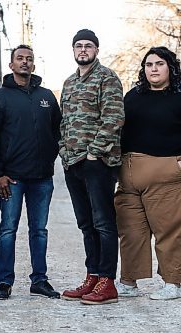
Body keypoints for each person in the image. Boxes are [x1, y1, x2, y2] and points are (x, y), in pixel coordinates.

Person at [114, 46, 181, 300]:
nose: (154, 69)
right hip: (129, 177)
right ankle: (129, 281)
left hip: (171, 176)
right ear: (143, 69)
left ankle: (172, 283)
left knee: (170, 231)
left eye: (159, 64)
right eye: (149, 65)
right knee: (131, 231)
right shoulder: (133, 97)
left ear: (170, 68)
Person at [0, 45, 62, 300]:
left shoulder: (47, 97)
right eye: (20, 59)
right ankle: (4, 282)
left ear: (34, 66)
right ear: (11, 65)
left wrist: (50, 158)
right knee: (8, 230)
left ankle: (39, 280)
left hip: (41, 178)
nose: (25, 62)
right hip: (11, 179)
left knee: (39, 230)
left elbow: (58, 132)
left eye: (29, 59)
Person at [59, 29, 125, 305]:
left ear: (96, 50)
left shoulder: (106, 78)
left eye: (88, 46)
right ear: (73, 51)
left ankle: (107, 282)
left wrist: (94, 153)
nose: (83, 50)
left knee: (103, 223)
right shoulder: (69, 82)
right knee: (86, 224)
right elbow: (64, 122)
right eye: (78, 46)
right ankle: (93, 276)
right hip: (72, 162)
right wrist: (63, 150)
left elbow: (114, 117)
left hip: (97, 163)